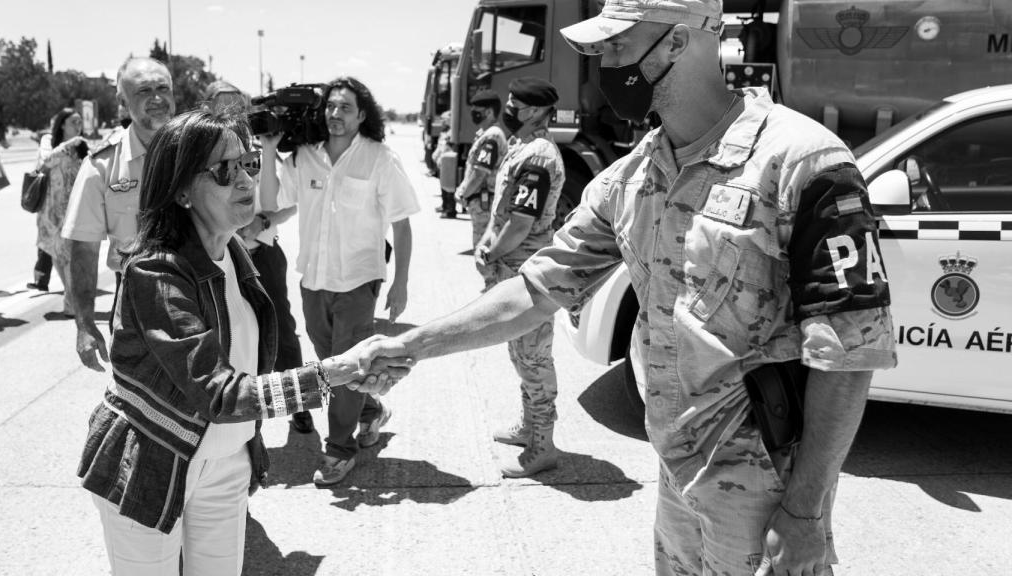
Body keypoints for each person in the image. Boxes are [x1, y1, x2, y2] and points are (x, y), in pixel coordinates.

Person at [358, 0, 898, 574]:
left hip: (766, 494)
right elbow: (536, 290)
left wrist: (805, 512)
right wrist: (409, 345)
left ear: (678, 41)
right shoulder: (636, 174)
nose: (604, 64)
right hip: (675, 475)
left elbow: (849, 352)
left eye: (617, 45)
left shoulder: (801, 160)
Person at [78, 108, 410, 576]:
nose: (244, 180)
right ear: (181, 191)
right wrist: (333, 374)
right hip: (153, 462)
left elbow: (253, 368)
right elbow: (218, 393)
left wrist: (343, 374)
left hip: (228, 461)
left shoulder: (234, 250)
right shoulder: (155, 271)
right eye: (223, 170)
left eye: (249, 163)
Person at [258, 76, 420, 486]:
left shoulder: (379, 158)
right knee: (330, 357)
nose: (335, 114)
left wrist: (400, 282)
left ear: (362, 114)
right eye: (330, 106)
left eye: (345, 107)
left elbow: (401, 224)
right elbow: (275, 203)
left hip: (359, 280)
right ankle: (371, 411)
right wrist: (270, 150)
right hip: (314, 280)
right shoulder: (305, 156)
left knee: (343, 366)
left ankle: (339, 451)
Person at [471, 77, 566, 477]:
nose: (509, 110)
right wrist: (487, 245)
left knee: (534, 356)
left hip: (527, 272)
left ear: (536, 111)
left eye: (516, 105)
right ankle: (529, 427)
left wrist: (491, 251)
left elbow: (522, 223)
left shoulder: (539, 156)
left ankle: (543, 444)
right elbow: (503, 211)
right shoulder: (521, 147)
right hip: (511, 268)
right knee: (520, 351)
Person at [204, 81, 311, 432]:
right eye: (223, 106)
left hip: (261, 254)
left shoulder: (260, 149)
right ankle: (240, 408)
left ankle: (297, 402)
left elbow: (284, 203)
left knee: (281, 330)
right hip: (218, 257)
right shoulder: (200, 152)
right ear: (208, 108)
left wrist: (263, 221)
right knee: (230, 334)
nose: (232, 113)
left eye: (238, 106)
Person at [62, 57, 174, 371]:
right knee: (138, 395)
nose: (156, 97)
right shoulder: (102, 165)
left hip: (204, 295)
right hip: (136, 304)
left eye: (162, 88)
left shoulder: (201, 149)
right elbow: (84, 248)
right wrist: (84, 324)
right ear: (123, 102)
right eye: (143, 91)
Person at [27, 109, 88, 313]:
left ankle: (71, 299)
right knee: (57, 253)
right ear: (62, 124)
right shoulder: (49, 141)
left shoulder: (82, 146)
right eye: (74, 122)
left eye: (80, 122)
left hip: (74, 208)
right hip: (51, 209)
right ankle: (70, 298)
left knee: (71, 256)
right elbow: (45, 163)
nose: (78, 126)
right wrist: (68, 145)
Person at [455, 89, 508, 288]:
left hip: (485, 204)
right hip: (482, 203)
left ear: (489, 112)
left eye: (477, 109)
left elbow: (480, 173)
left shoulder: (492, 137)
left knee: (484, 253)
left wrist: (463, 193)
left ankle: (493, 289)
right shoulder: (487, 134)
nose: (473, 113)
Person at [433, 110, 458, 218]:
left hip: (449, 164)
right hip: (443, 163)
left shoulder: (453, 132)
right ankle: (444, 206)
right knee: (443, 186)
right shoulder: (445, 131)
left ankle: (450, 209)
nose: (443, 121)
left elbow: (448, 148)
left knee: (449, 187)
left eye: (445, 119)